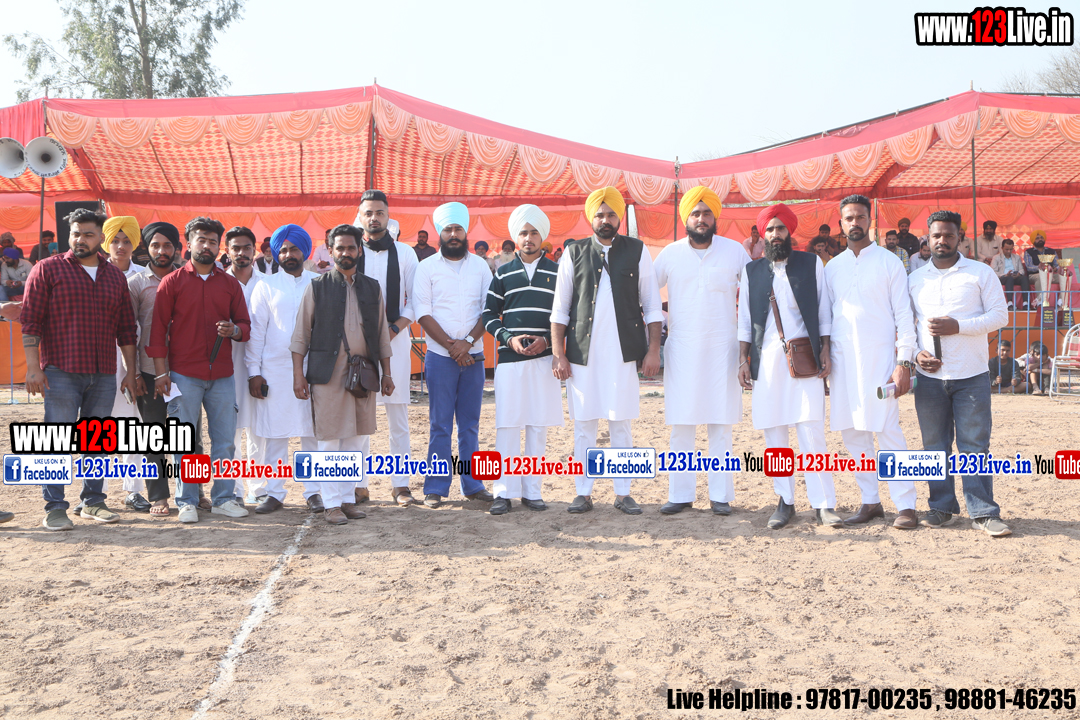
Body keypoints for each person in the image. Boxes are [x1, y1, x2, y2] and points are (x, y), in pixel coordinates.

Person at [19, 208, 138, 531]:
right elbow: (30, 320)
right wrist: (33, 368)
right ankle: (54, 507)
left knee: (97, 441)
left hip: (103, 373)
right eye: (75, 233)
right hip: (61, 371)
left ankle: (93, 502)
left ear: (102, 238)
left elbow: (126, 330)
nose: (80, 239)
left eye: (88, 234)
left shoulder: (115, 276)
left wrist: (130, 372)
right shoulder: (47, 269)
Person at [551, 186, 663, 515]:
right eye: (599, 214)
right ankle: (583, 493)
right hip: (582, 355)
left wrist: (653, 350)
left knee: (621, 422)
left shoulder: (637, 250)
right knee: (584, 424)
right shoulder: (574, 252)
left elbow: (652, 306)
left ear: (620, 218)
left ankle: (623, 493)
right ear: (591, 217)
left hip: (623, 355)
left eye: (611, 214)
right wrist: (559, 353)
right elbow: (560, 309)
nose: (605, 220)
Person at [737, 203, 840, 529]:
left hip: (806, 359)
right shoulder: (752, 271)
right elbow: (744, 321)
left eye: (780, 228)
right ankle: (785, 501)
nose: (775, 234)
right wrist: (743, 360)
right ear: (762, 234)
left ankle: (824, 504)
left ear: (789, 231)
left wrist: (825, 349)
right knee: (774, 433)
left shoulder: (811, 264)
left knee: (811, 431)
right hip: (766, 362)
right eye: (769, 229)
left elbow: (824, 310)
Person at [910, 210, 1010, 536]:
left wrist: (958, 326)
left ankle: (983, 512)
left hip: (971, 375)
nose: (942, 240)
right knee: (934, 446)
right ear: (928, 238)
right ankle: (941, 507)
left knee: (974, 446)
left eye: (949, 235)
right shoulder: (915, 279)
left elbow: (1000, 316)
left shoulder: (980, 273)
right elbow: (906, 327)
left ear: (960, 238)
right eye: (936, 235)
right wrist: (915, 355)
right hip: (929, 380)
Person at [148, 217, 251, 524]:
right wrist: (161, 374)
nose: (206, 246)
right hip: (183, 375)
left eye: (212, 241)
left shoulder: (230, 285)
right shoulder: (172, 282)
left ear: (219, 247)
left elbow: (245, 326)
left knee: (225, 441)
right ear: (189, 243)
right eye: (201, 240)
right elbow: (157, 332)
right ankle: (187, 501)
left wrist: (234, 330)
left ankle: (223, 499)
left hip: (222, 375)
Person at [825, 195, 918, 529]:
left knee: (888, 429)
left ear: (870, 221)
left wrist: (904, 362)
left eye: (860, 217)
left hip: (880, 360)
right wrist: (825, 358)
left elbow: (904, 315)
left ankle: (906, 505)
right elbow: (826, 317)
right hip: (842, 362)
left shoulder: (889, 262)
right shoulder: (832, 267)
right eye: (849, 218)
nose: (855, 223)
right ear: (841, 224)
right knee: (852, 432)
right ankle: (870, 502)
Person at [290, 224, 394, 524]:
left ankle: (347, 499)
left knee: (354, 438)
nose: (346, 253)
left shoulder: (372, 287)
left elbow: (381, 334)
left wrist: (387, 374)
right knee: (329, 438)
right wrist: (298, 375)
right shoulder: (318, 287)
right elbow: (301, 335)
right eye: (340, 248)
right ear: (330, 251)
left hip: (363, 375)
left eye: (351, 248)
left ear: (359, 250)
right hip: (327, 374)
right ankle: (331, 503)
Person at [653, 187, 747, 515]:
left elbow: (754, 296)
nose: (701, 219)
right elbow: (646, 291)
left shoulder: (734, 251)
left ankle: (720, 495)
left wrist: (746, 351)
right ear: (686, 218)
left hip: (724, 350)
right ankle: (680, 494)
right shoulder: (670, 254)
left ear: (715, 216)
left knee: (721, 425)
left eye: (707, 213)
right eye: (695, 213)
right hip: (682, 350)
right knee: (682, 423)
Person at [482, 204, 564, 514]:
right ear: (515, 238)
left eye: (533, 233)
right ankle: (502, 492)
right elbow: (489, 315)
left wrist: (548, 341)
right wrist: (508, 338)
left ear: (543, 236)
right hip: (509, 360)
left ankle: (532, 491)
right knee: (507, 425)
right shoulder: (503, 272)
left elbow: (567, 316)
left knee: (537, 426)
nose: (528, 238)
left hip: (545, 360)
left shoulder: (558, 272)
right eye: (523, 233)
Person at [413, 202, 494, 508]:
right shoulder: (426, 267)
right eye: (448, 229)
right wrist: (452, 347)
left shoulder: (480, 266)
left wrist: (468, 342)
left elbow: (489, 309)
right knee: (440, 424)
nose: (454, 234)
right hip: (440, 358)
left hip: (473, 357)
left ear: (466, 231)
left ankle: (473, 485)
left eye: (458, 228)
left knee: (470, 424)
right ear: (440, 233)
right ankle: (435, 487)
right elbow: (423, 313)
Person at [246, 224, 324, 513]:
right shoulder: (265, 285)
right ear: (276, 253)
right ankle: (275, 492)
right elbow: (256, 334)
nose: (288, 254)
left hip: (314, 370)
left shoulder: (319, 283)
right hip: (274, 371)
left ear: (305, 252)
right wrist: (254, 372)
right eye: (283, 250)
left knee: (311, 433)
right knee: (275, 434)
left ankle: (313, 491)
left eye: (294, 249)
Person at [354, 191, 420, 506]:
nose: (374, 218)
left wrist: (392, 330)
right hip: (357, 343)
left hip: (396, 340)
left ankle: (401, 486)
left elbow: (415, 301)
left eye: (379, 212)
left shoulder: (405, 253)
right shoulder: (352, 251)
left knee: (398, 417)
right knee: (359, 415)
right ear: (360, 216)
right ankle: (357, 485)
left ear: (388, 216)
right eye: (368, 213)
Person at [128, 221, 183, 516]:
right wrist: (135, 372)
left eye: (167, 245)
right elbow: (128, 332)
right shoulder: (136, 283)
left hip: (185, 370)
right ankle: (159, 496)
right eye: (155, 245)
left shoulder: (187, 278)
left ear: (176, 248)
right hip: (149, 371)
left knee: (190, 436)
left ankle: (193, 493)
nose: (162, 251)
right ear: (147, 248)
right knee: (153, 435)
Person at [102, 216, 150, 512]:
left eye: (127, 241)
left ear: (135, 244)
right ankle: (95, 492)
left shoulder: (144, 276)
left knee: (135, 424)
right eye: (115, 240)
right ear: (106, 242)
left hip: (136, 361)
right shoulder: (95, 273)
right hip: (100, 360)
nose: (121, 246)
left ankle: (133, 490)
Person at [223, 226, 266, 505]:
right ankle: (235, 489)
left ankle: (258, 488)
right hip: (226, 365)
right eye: (235, 248)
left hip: (260, 365)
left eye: (246, 247)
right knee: (230, 428)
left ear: (255, 250)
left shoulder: (268, 284)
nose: (241, 253)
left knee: (258, 427)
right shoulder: (218, 282)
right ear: (227, 252)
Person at [1023, 231, 1062, 307]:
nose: (1040, 239)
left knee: (1065, 276)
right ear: (1033, 241)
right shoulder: (1029, 252)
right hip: (1034, 275)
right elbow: (1029, 267)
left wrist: (1054, 269)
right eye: (1037, 238)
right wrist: (1040, 268)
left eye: (1041, 237)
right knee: (1041, 277)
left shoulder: (1052, 251)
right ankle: (1040, 302)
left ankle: (1061, 300)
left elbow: (1057, 265)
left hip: (1051, 274)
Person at [991, 238, 1030, 310]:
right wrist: (1005, 275)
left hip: (1015, 276)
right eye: (1006, 249)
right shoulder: (996, 258)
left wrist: (1019, 273)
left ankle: (1025, 303)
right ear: (1002, 248)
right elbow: (993, 272)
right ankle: (1010, 303)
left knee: (1024, 278)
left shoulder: (1017, 257)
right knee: (1009, 278)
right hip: (1002, 277)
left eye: (1011, 249)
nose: (1009, 251)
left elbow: (1022, 270)